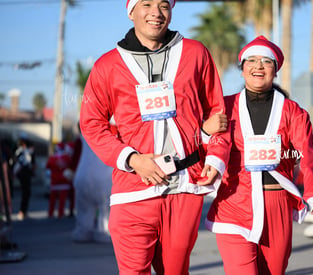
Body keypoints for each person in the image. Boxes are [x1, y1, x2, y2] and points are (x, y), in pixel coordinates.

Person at [79, 0, 230, 274]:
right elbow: (91, 123)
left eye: (163, 5)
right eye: (146, 3)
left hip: (186, 187)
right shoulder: (107, 65)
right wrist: (132, 159)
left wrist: (217, 157)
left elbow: (217, 111)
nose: (156, 13)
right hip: (133, 187)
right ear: (131, 11)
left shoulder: (196, 53)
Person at [204, 36, 313, 275]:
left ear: (275, 70)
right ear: (242, 68)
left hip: (277, 204)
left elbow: (308, 153)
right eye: (251, 60)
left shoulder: (293, 111)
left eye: (267, 61)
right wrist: (204, 131)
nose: (258, 66)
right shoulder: (224, 108)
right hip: (234, 202)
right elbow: (208, 144)